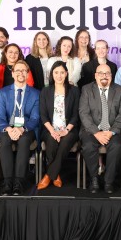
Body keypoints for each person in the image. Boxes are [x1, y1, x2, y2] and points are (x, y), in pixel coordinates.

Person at [79, 64, 121, 194]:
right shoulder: (87, 89)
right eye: (101, 73)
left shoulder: (120, 90)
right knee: (88, 146)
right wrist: (96, 132)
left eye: (107, 73)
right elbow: (84, 113)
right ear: (95, 75)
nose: (104, 76)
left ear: (111, 76)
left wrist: (111, 132)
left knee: (117, 147)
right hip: (92, 130)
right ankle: (94, 179)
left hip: (112, 130)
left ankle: (108, 181)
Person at [0, 60, 40, 196]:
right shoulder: (3, 92)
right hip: (8, 127)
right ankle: (8, 182)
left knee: (24, 140)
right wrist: (9, 129)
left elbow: (35, 118)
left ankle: (19, 183)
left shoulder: (35, 93)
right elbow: (0, 117)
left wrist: (21, 129)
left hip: (27, 129)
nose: (21, 73)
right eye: (18, 70)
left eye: (24, 71)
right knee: (5, 141)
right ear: (13, 73)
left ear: (27, 74)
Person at [37, 61, 80, 190]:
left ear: (66, 74)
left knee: (64, 143)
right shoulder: (45, 91)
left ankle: (49, 175)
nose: (59, 75)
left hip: (69, 129)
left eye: (62, 72)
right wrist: (52, 131)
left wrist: (66, 130)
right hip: (49, 129)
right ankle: (55, 175)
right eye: (56, 72)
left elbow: (76, 115)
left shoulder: (74, 91)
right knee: (51, 141)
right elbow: (43, 114)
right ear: (52, 74)